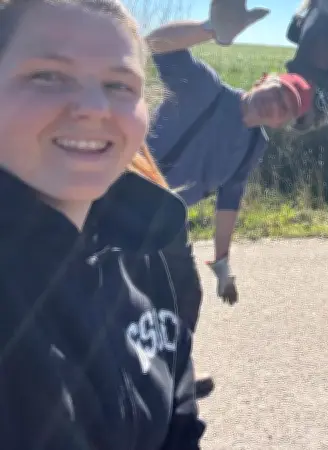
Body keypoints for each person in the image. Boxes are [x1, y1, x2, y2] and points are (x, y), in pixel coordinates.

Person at [0, 0, 205, 448]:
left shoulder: (145, 244)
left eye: (118, 84)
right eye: (47, 76)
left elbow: (180, 419)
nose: (94, 107)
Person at [144, 0, 313, 397]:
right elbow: (155, 43)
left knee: (186, 294)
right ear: (263, 80)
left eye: (285, 110)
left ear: (281, 123)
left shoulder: (255, 143)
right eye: (278, 93)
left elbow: (228, 200)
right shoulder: (205, 86)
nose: (276, 105)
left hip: (168, 218)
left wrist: (222, 263)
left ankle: (173, 377)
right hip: (124, 194)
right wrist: (210, 28)